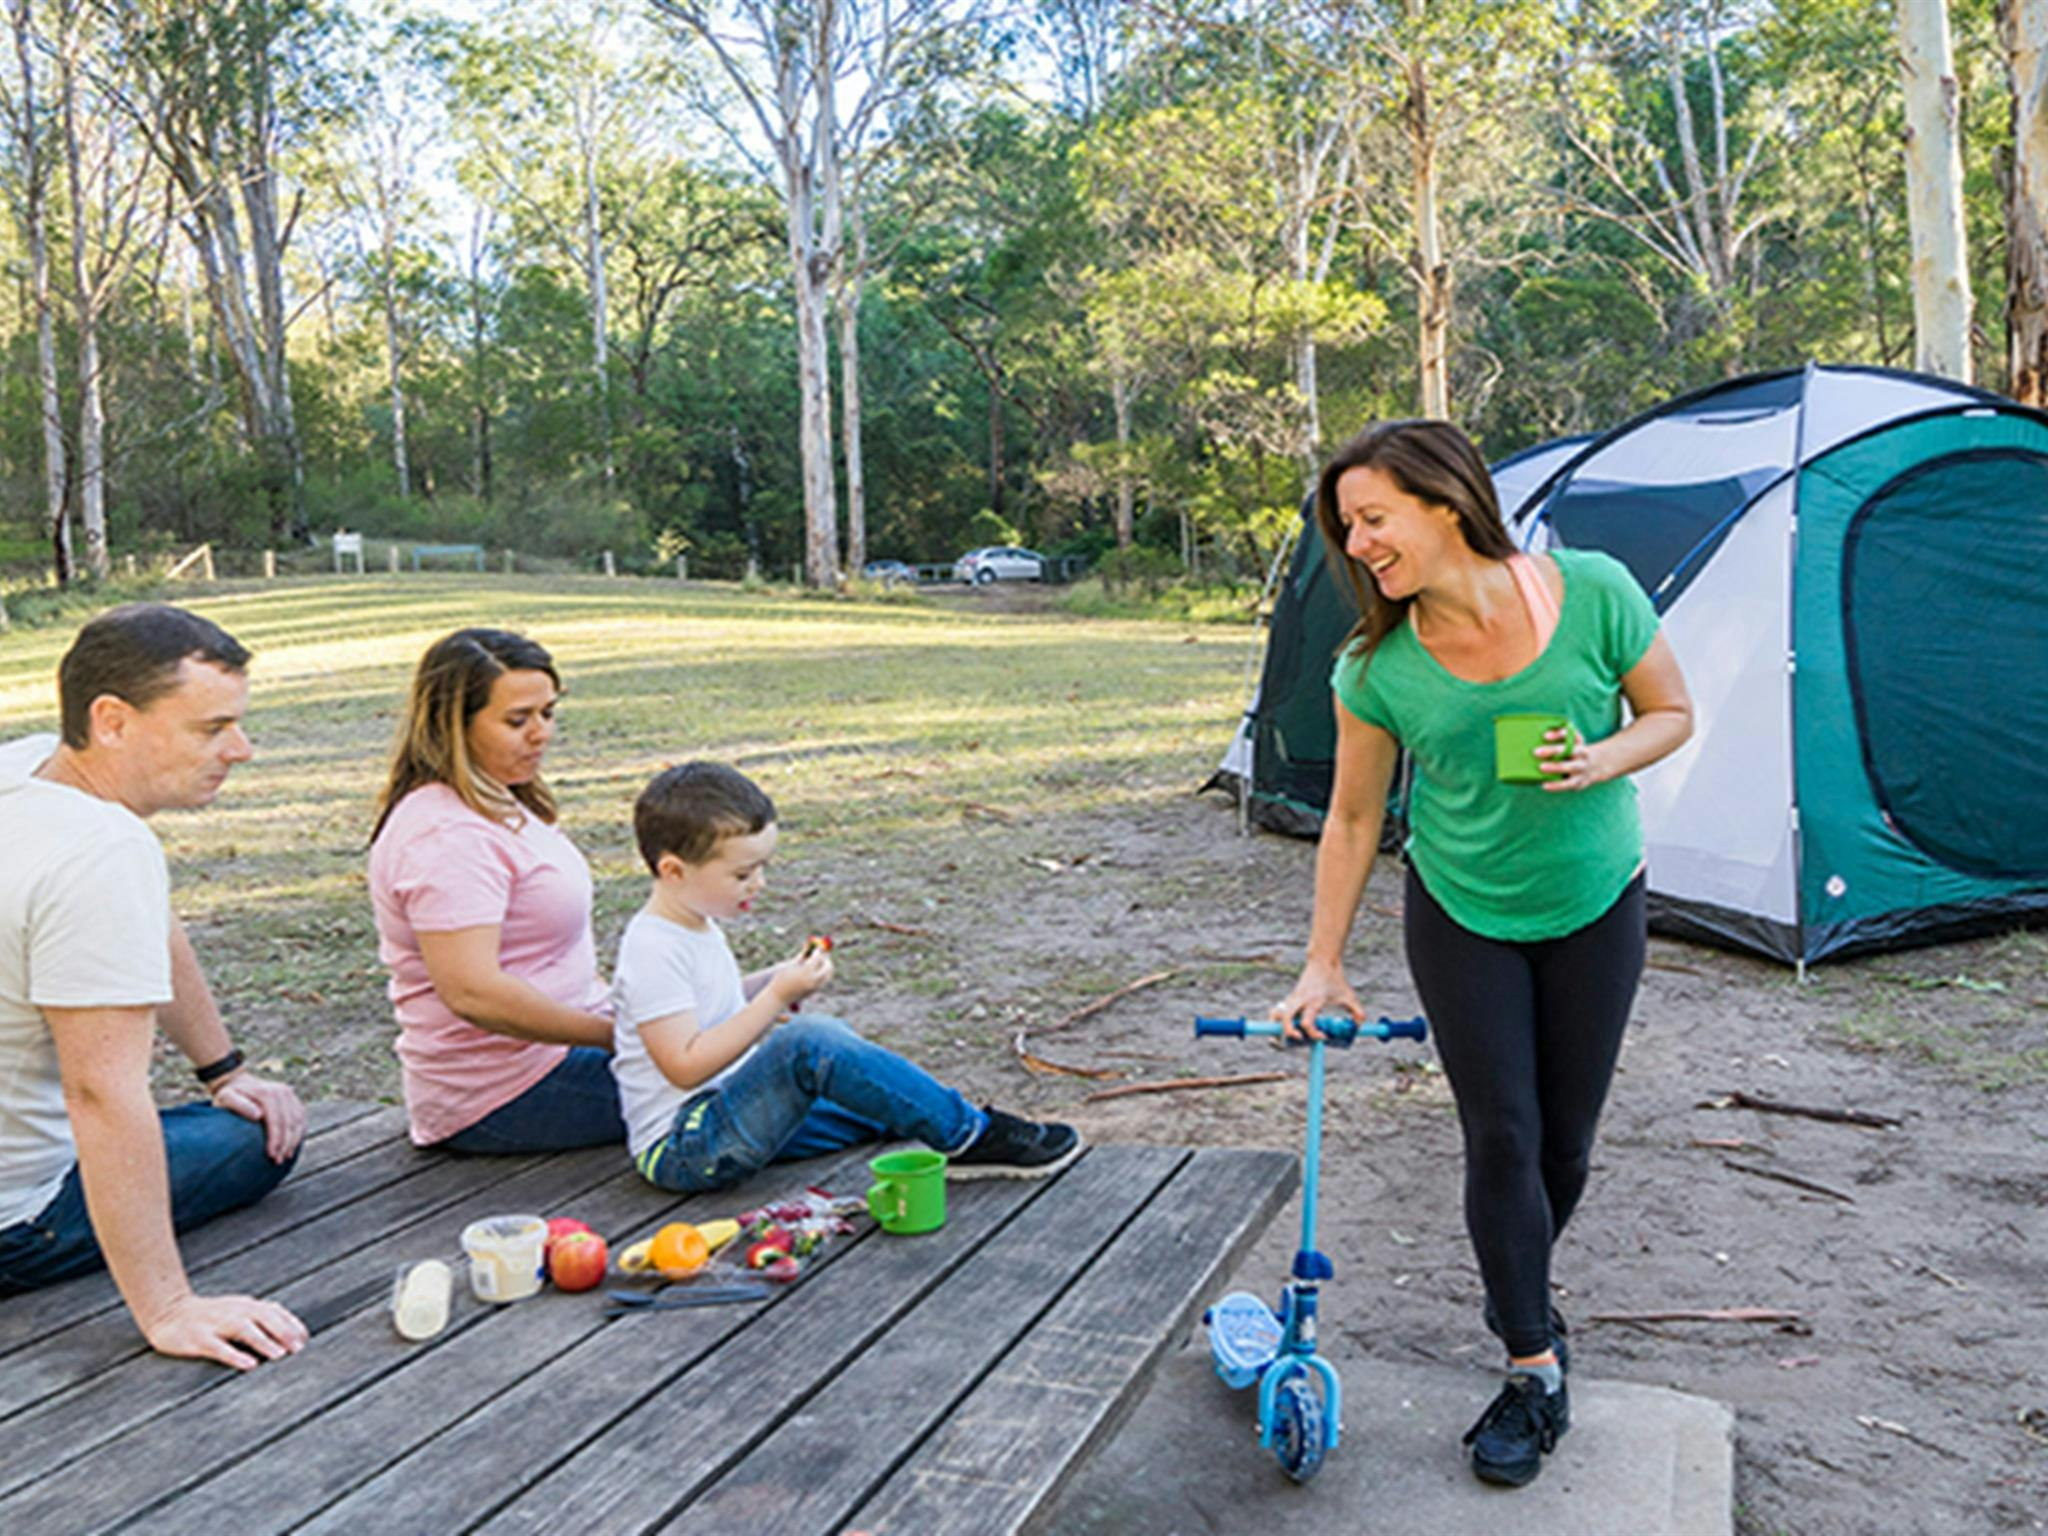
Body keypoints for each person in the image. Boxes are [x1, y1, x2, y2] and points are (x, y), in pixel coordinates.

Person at [1271, 421, 1694, 1488]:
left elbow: (1670, 712)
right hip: (1460, 911)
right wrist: (1321, 964)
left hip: (1596, 902)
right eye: (1345, 529)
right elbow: (1354, 819)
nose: (1357, 545)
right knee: (1501, 1135)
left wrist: (1600, 758)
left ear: (1444, 503)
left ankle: (1521, 1280)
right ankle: (1530, 1364)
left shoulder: (1591, 591)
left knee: (1565, 1149)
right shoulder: (1374, 666)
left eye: (1372, 519)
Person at [0, 603, 309, 1370]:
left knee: (237, 1109)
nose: (241, 749)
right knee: (262, 1141)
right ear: (111, 720)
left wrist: (223, 1069)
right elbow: (101, 1094)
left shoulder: (26, 766)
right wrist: (169, 1308)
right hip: (17, 1220)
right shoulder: (102, 851)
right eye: (211, 728)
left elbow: (148, 926)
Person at [612, 761, 1083, 1193]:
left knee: (870, 1094)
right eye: (742, 874)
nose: (759, 884)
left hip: (726, 1108)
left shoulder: (692, 919)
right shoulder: (652, 948)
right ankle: (973, 1136)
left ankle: (945, 1121)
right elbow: (684, 1064)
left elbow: (708, 1008)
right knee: (812, 1042)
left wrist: (771, 980)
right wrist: (776, 998)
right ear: (673, 870)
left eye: (762, 868)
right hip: (685, 1147)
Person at [368, 629, 623, 1152]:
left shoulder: (499, 801)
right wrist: (617, 1037)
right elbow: (473, 992)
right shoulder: (446, 835)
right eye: (517, 720)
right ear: (452, 726)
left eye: (548, 713)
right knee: (787, 1074)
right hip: (506, 1093)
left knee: (775, 1056)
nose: (541, 734)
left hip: (565, 1054)